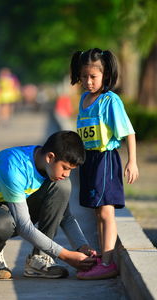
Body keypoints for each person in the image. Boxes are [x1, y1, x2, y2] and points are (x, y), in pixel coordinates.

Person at [0, 130, 97, 280]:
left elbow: (64, 216)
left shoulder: (48, 166)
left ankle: (39, 259)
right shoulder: (13, 167)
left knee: (63, 186)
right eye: (65, 168)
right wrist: (66, 256)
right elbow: (24, 226)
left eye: (71, 170)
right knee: (2, 224)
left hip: (12, 211)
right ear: (50, 157)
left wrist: (82, 246)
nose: (67, 174)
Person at [70, 48, 139, 280]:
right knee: (97, 212)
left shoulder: (110, 100)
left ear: (106, 75)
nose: (88, 82)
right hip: (89, 161)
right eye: (84, 76)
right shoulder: (83, 100)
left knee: (107, 211)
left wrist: (132, 161)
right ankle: (101, 257)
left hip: (105, 160)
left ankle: (109, 262)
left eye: (93, 77)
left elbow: (128, 132)